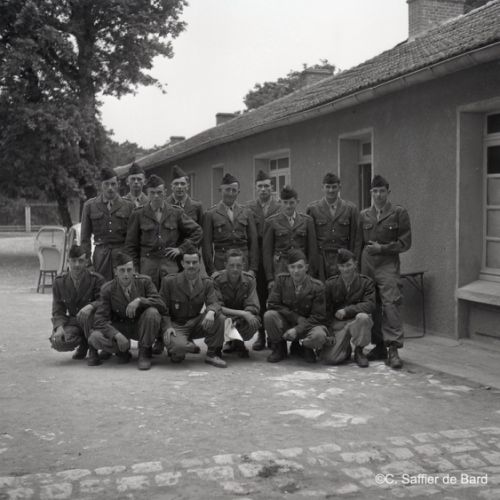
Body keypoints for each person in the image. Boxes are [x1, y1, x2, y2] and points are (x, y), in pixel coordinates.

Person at [354, 175, 412, 369]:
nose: (378, 195)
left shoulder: (398, 213)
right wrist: (357, 266)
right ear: (371, 193)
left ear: (388, 192)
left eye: (382, 191)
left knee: (391, 304)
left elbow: (405, 242)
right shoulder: (364, 215)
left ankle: (393, 349)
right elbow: (358, 242)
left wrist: (383, 248)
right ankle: (379, 345)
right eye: (375, 191)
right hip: (367, 263)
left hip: (388, 263)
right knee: (371, 304)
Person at [88, 252, 166, 370]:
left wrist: (140, 300)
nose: (126, 274)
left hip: (141, 327)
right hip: (120, 327)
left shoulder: (144, 282)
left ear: (134, 270)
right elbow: (100, 320)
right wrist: (116, 335)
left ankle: (144, 352)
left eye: (129, 270)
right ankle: (121, 351)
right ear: (115, 271)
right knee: (95, 337)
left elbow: (161, 305)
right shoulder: (107, 289)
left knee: (152, 312)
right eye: (122, 270)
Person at [125, 174, 202, 289]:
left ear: (165, 192)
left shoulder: (175, 212)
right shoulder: (138, 214)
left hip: (169, 264)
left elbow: (197, 231)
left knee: (172, 295)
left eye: (159, 192)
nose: (156, 196)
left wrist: (181, 249)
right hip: (147, 266)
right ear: (147, 193)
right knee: (148, 296)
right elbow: (131, 245)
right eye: (152, 193)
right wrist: (134, 269)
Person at [159, 244, 227, 368]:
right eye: (188, 262)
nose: (191, 266)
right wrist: (167, 326)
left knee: (219, 318)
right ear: (182, 263)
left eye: (194, 262)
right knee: (178, 351)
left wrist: (211, 311)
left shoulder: (206, 282)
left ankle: (212, 354)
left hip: (196, 323)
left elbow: (215, 302)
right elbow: (162, 309)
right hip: (176, 325)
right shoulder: (169, 281)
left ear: (199, 264)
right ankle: (186, 346)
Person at [264, 250, 327, 364]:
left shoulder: (317, 286)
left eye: (300, 267)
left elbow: (318, 317)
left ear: (306, 267)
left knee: (319, 335)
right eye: (292, 267)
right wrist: (296, 318)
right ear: (288, 268)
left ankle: (305, 347)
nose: (296, 271)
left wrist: (297, 329)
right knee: (269, 316)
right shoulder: (281, 280)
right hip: (287, 323)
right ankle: (280, 347)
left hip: (307, 326)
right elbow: (272, 304)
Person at [245, 170, 281, 351]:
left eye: (267, 186)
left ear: (272, 187)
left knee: (275, 295)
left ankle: (275, 336)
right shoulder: (249, 207)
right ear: (255, 188)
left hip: (275, 255)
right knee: (258, 295)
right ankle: (261, 334)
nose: (263, 189)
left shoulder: (279, 206)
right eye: (260, 186)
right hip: (256, 255)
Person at [321, 249, 375, 367]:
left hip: (356, 321)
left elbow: (370, 304)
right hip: (338, 324)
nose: (346, 269)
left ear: (355, 264)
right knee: (331, 359)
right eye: (342, 266)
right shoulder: (330, 284)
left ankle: (359, 351)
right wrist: (329, 331)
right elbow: (326, 310)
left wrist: (347, 310)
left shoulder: (366, 282)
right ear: (338, 267)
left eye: (349, 265)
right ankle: (345, 349)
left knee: (363, 317)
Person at [50, 245, 105, 360]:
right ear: (68, 261)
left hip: (94, 322)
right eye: (73, 261)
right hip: (75, 321)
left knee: (89, 317)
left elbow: (105, 301)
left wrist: (91, 306)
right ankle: (83, 343)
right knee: (59, 342)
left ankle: (93, 348)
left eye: (80, 261)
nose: (77, 265)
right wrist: (59, 327)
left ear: (86, 261)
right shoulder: (59, 282)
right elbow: (58, 310)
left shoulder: (96, 280)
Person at [80, 167, 134, 281]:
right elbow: (85, 239)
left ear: (118, 184)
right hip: (100, 256)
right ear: (101, 185)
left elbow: (133, 238)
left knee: (122, 287)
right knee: (101, 286)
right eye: (106, 184)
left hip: (122, 255)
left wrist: (132, 260)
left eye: (113, 184)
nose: (110, 188)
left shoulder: (129, 206)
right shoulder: (90, 206)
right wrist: (88, 264)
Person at [203, 173, 259, 277]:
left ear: (238, 192)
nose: (230, 193)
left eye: (234, 190)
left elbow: (254, 243)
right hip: (221, 265)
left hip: (243, 264)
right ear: (220, 190)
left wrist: (253, 269)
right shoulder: (210, 214)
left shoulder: (247, 212)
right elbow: (207, 246)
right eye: (227, 190)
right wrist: (212, 271)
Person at [306, 173, 358, 280]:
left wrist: (352, 259)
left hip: (343, 257)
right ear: (322, 188)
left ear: (339, 187)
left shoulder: (350, 209)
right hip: (321, 257)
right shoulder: (313, 209)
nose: (331, 190)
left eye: (334, 187)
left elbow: (354, 238)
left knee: (342, 286)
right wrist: (312, 262)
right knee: (322, 286)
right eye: (328, 187)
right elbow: (310, 239)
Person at [263, 185, 318, 287]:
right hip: (280, 268)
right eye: (285, 202)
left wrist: (310, 273)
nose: (288, 206)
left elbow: (312, 250)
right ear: (280, 202)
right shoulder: (271, 222)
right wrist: (270, 278)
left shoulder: (307, 221)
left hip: (301, 267)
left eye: (291, 202)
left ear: (297, 202)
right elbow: (267, 252)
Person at [213, 249, 261, 358]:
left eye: (238, 265)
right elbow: (216, 306)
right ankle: (216, 346)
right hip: (224, 318)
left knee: (254, 320)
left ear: (243, 265)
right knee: (216, 318)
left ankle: (238, 341)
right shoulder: (216, 280)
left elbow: (253, 306)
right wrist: (242, 314)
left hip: (240, 320)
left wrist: (240, 319)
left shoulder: (250, 280)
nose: (235, 269)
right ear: (225, 265)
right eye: (231, 265)